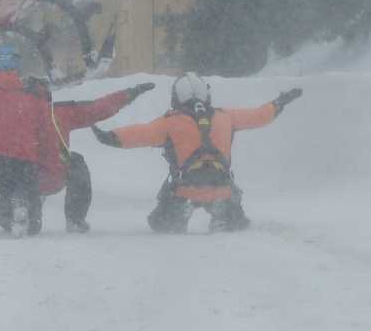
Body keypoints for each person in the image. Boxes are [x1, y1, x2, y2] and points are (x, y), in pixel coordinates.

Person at [0, 52, 154, 235]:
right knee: (74, 161)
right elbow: (97, 109)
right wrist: (129, 94)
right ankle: (74, 220)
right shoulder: (51, 111)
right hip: (36, 176)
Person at [90, 73, 302, 233]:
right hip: (222, 188)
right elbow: (259, 116)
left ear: (176, 97)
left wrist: (107, 137)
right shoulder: (226, 117)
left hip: (185, 189)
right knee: (237, 219)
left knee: (159, 224)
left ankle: (179, 213)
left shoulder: (170, 122)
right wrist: (280, 102)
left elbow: (139, 134)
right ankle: (224, 213)